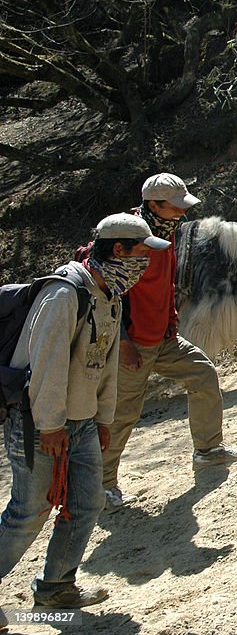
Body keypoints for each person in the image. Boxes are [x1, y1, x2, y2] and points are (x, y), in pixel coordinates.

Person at [0, 214, 170, 608]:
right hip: (39, 423)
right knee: (30, 511)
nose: (145, 264)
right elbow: (47, 364)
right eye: (141, 254)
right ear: (118, 251)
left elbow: (105, 364)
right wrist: (50, 425)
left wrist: (103, 419)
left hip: (82, 423)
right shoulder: (65, 294)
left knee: (87, 502)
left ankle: (56, 587)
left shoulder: (109, 294)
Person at [102, 173, 237, 510]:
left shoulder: (165, 232)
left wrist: (170, 321)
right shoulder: (124, 237)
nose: (182, 212)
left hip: (163, 339)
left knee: (203, 375)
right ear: (154, 205)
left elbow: (166, 284)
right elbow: (108, 294)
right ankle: (103, 487)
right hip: (131, 344)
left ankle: (208, 451)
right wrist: (122, 342)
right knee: (123, 414)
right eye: (175, 206)